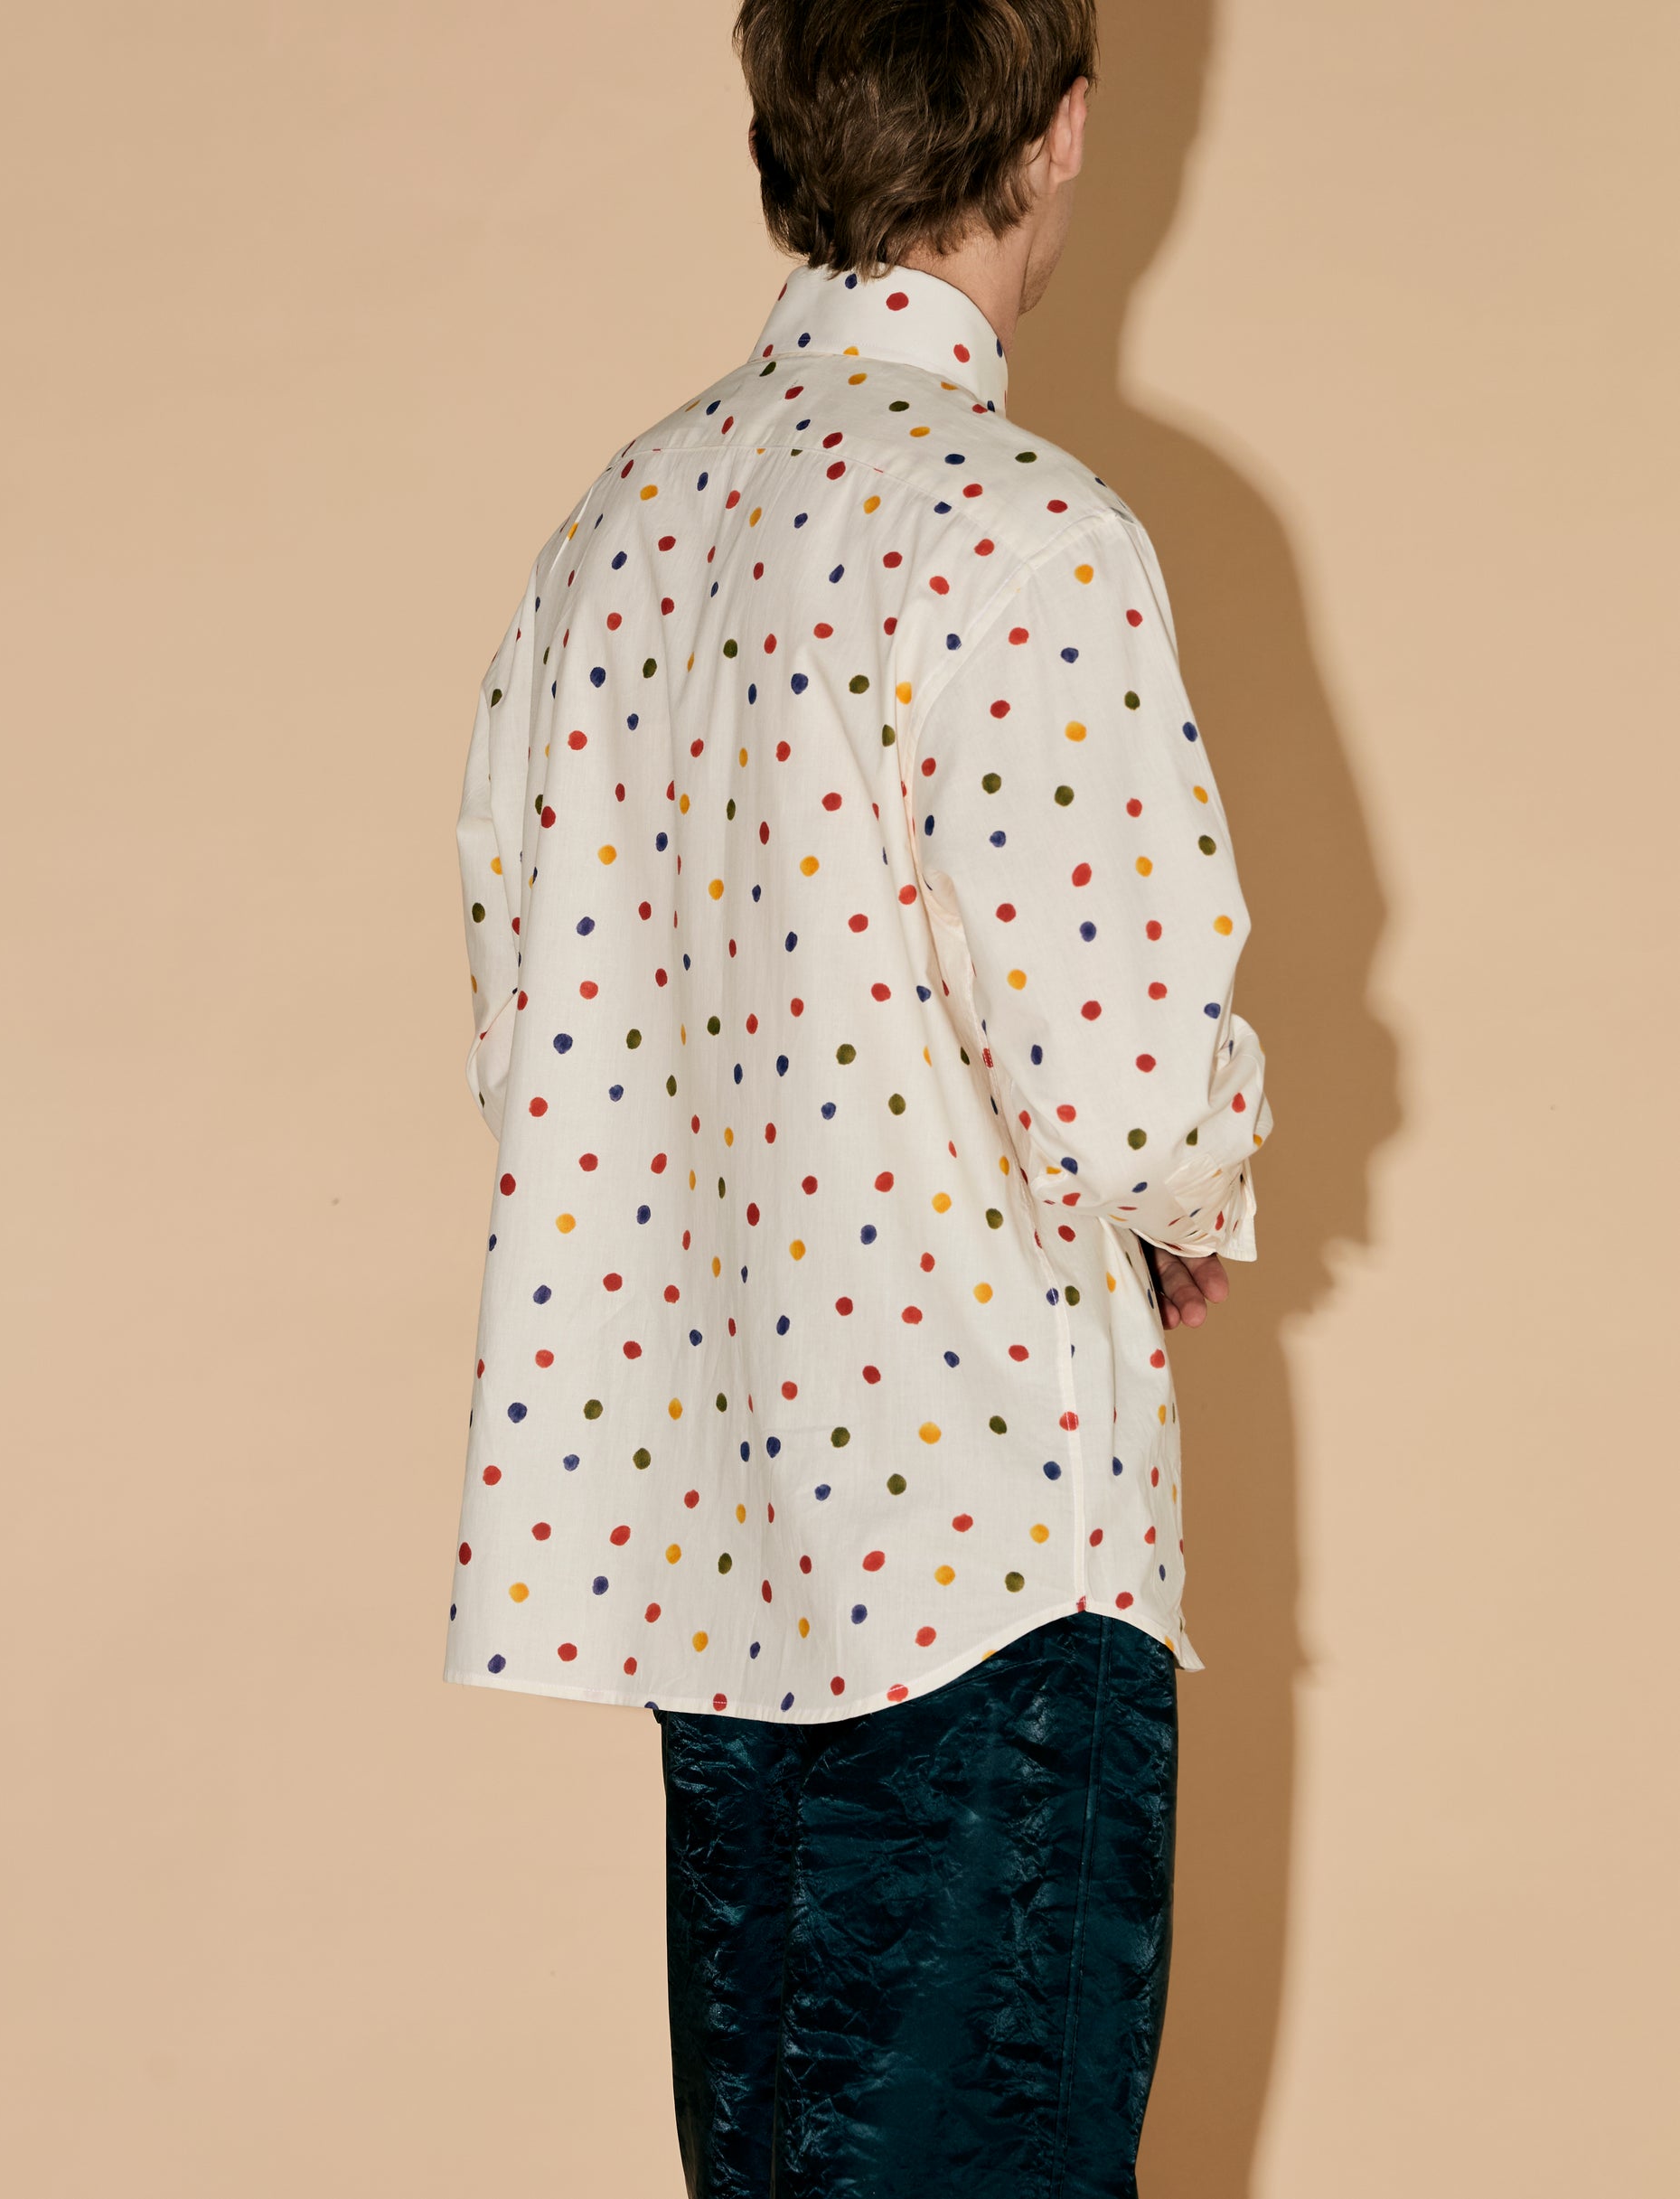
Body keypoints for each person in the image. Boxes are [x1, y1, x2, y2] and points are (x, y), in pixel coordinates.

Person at [445, 2, 1272, 2190]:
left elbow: (532, 1028)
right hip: (986, 1575)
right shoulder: (1022, 531)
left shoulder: (622, 529)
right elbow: (1129, 1091)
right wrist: (1190, 1188)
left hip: (722, 1574)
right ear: (1060, 129)